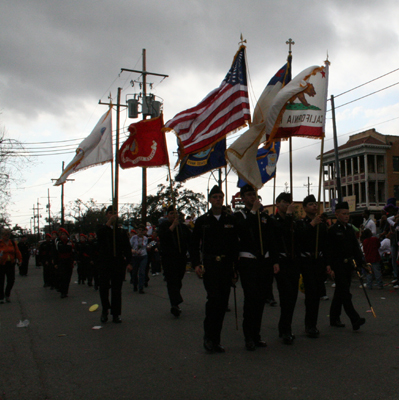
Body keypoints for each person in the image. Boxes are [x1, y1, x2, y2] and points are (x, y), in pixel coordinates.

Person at [191, 185, 239, 353]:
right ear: (210, 200)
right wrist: (196, 264)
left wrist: (235, 269)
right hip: (210, 266)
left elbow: (234, 247)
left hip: (226, 266)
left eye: (220, 196)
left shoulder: (230, 220)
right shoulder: (203, 221)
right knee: (213, 301)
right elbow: (193, 245)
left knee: (222, 304)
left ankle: (216, 340)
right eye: (215, 197)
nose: (218, 199)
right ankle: (208, 337)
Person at [234, 184, 279, 350]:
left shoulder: (263, 215)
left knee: (260, 300)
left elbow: (271, 238)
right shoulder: (240, 215)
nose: (253, 197)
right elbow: (243, 231)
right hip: (248, 262)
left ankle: (257, 334)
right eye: (249, 195)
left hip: (264, 262)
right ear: (243, 198)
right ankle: (249, 337)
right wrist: (253, 212)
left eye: (254, 194)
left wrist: (274, 260)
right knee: (251, 299)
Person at [327, 201, 366, 331]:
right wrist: (330, 267)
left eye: (348, 214)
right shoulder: (332, 230)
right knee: (345, 293)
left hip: (348, 265)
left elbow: (355, 248)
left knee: (340, 292)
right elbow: (330, 251)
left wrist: (362, 263)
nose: (346, 216)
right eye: (343, 214)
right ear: (336, 214)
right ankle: (354, 319)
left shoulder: (349, 229)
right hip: (338, 265)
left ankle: (334, 317)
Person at [295, 195, 330, 338]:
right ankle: (309, 325)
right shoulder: (301, 223)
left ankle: (313, 323)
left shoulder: (322, 224)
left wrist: (328, 263)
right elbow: (300, 239)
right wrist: (311, 225)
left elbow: (325, 245)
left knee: (317, 295)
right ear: (304, 208)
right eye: (310, 204)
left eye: (315, 204)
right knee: (311, 294)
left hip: (319, 261)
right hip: (307, 261)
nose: (314, 206)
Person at [271, 192, 300, 344]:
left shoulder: (294, 222)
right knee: (286, 296)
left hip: (293, 262)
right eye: (283, 202)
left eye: (289, 202)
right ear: (277, 204)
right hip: (280, 262)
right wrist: (288, 217)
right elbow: (279, 233)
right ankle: (285, 329)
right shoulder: (273, 220)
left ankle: (285, 326)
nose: (287, 205)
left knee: (293, 297)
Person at [97, 206, 132, 323]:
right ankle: (105, 310)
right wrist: (108, 223)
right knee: (104, 288)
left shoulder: (121, 231)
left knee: (117, 289)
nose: (113, 215)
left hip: (118, 263)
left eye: (115, 213)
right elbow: (100, 236)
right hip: (104, 262)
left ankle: (116, 313)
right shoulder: (102, 228)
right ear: (107, 215)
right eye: (111, 213)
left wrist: (129, 262)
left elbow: (127, 248)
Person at [158, 206, 191, 317]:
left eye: (176, 213)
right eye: (171, 213)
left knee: (178, 280)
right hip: (168, 258)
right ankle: (175, 304)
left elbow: (190, 240)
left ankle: (175, 300)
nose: (174, 215)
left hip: (181, 258)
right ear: (167, 215)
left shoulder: (182, 227)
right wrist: (173, 226)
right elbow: (163, 237)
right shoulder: (164, 226)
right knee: (171, 280)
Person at [0, 228, 22, 303]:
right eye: (5, 234)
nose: (6, 236)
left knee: (11, 280)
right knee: (1, 281)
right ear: (2, 235)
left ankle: (7, 294)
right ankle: (1, 297)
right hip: (1, 264)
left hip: (10, 263)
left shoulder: (12, 243)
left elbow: (17, 252)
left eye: (8, 234)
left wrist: (20, 260)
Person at [53, 228, 74, 298]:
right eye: (62, 234)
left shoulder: (70, 243)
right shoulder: (58, 243)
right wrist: (55, 263)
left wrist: (74, 260)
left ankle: (65, 292)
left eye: (64, 234)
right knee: (62, 276)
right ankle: (62, 291)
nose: (63, 235)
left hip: (68, 261)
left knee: (67, 277)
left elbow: (73, 252)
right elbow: (56, 253)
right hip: (61, 261)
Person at [130, 224, 148, 294]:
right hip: (135, 256)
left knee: (142, 271)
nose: (140, 231)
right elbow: (129, 246)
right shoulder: (133, 238)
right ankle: (135, 284)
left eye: (141, 230)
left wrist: (151, 246)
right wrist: (132, 250)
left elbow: (146, 246)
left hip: (143, 256)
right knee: (134, 272)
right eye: (139, 230)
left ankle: (141, 287)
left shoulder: (145, 238)